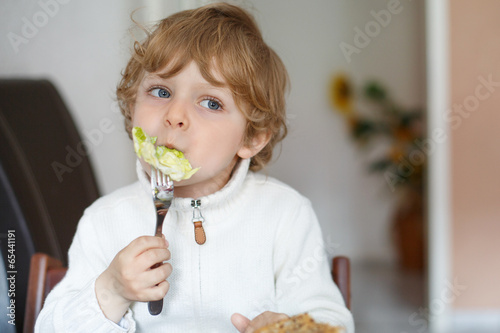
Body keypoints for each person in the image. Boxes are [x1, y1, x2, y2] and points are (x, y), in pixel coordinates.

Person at [35, 2, 354, 332]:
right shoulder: (104, 222)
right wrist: (111, 291)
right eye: (161, 91)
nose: (175, 115)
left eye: (211, 102)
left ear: (253, 136)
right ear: (132, 109)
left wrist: (290, 326)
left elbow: (330, 321)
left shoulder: (286, 216)